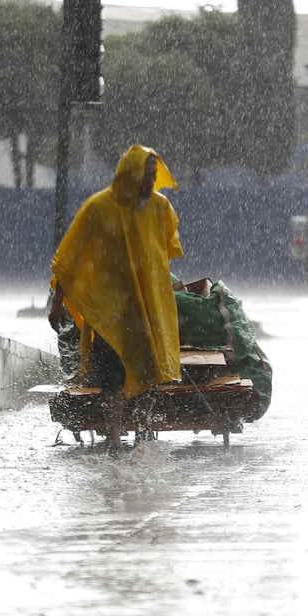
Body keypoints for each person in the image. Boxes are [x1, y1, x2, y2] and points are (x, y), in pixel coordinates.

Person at [48, 144, 184, 451]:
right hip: (110, 313)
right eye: (145, 176)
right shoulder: (98, 208)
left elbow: (164, 252)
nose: (150, 182)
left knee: (149, 376)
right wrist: (57, 303)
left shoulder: (160, 208)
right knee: (113, 378)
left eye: (153, 176)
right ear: (129, 176)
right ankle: (113, 437)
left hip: (147, 310)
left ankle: (143, 434)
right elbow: (70, 259)